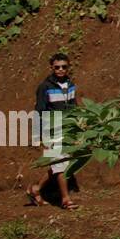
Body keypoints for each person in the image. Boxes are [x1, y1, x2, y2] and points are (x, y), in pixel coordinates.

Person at [31, 53, 77, 209]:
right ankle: (65, 199)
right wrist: (38, 136)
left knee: (59, 163)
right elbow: (38, 111)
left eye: (64, 66)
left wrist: (77, 127)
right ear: (51, 68)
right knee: (59, 163)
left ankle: (36, 188)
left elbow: (74, 107)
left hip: (67, 128)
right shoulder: (45, 86)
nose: (61, 70)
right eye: (57, 67)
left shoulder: (70, 85)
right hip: (51, 128)